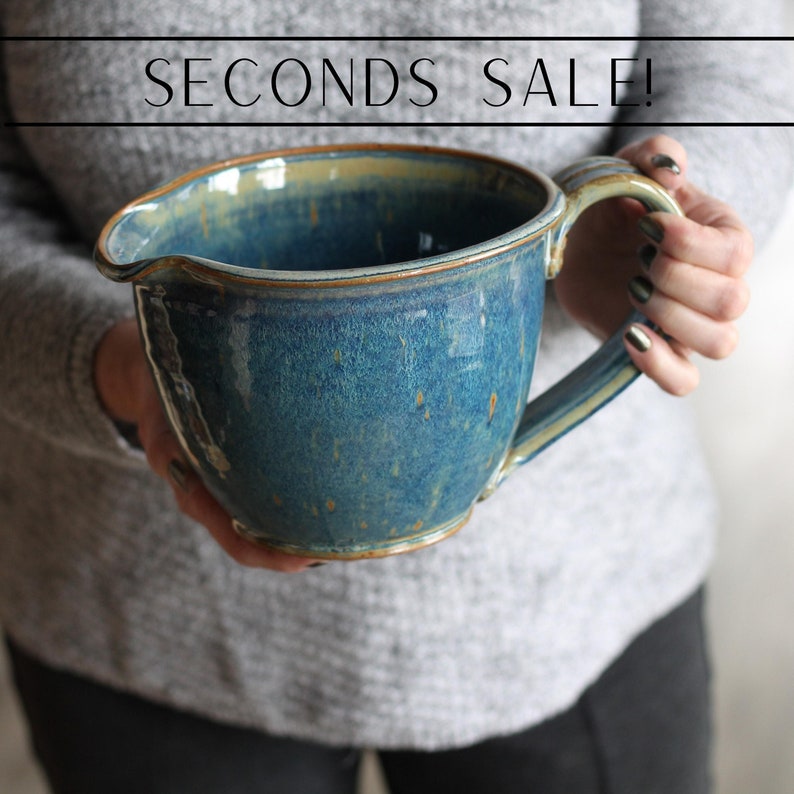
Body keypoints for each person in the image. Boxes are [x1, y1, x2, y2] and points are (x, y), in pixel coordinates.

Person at [1, 1, 791, 792]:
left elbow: (736, 59)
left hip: (573, 589)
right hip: (129, 616)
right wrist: (126, 366)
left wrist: (667, 237)